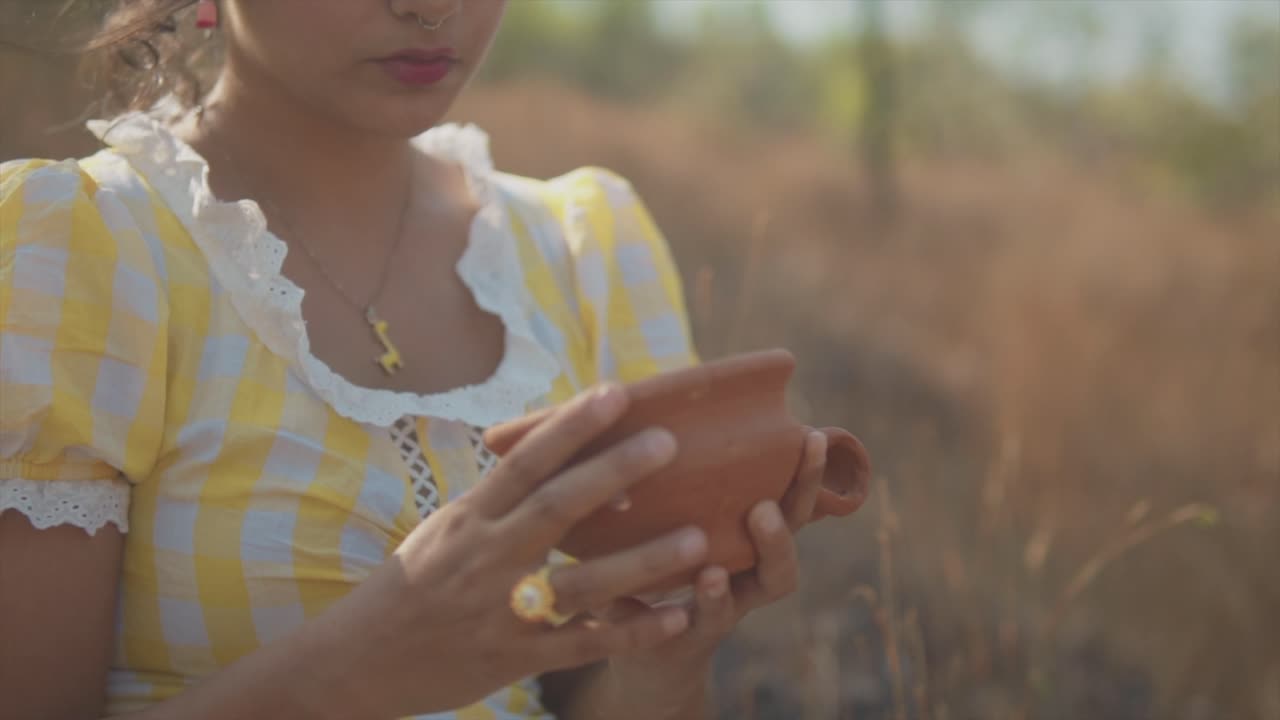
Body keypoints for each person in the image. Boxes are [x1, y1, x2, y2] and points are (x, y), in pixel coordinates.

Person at [0, 2, 833, 718]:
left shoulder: (584, 253)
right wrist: (361, 661)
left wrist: (661, 663)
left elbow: (592, 695)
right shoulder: (81, 247)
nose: (435, 7)